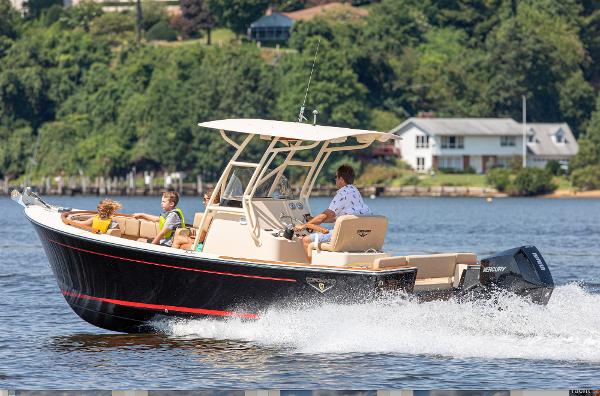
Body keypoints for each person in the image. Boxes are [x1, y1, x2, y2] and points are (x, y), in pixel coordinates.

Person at [295, 164, 372, 260]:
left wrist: (304, 225)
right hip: (358, 233)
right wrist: (314, 220)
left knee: (306, 240)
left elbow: (326, 215)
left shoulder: (342, 193)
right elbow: (335, 218)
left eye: (336, 177)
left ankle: (310, 270)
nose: (335, 180)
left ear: (341, 179)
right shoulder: (354, 191)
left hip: (346, 233)